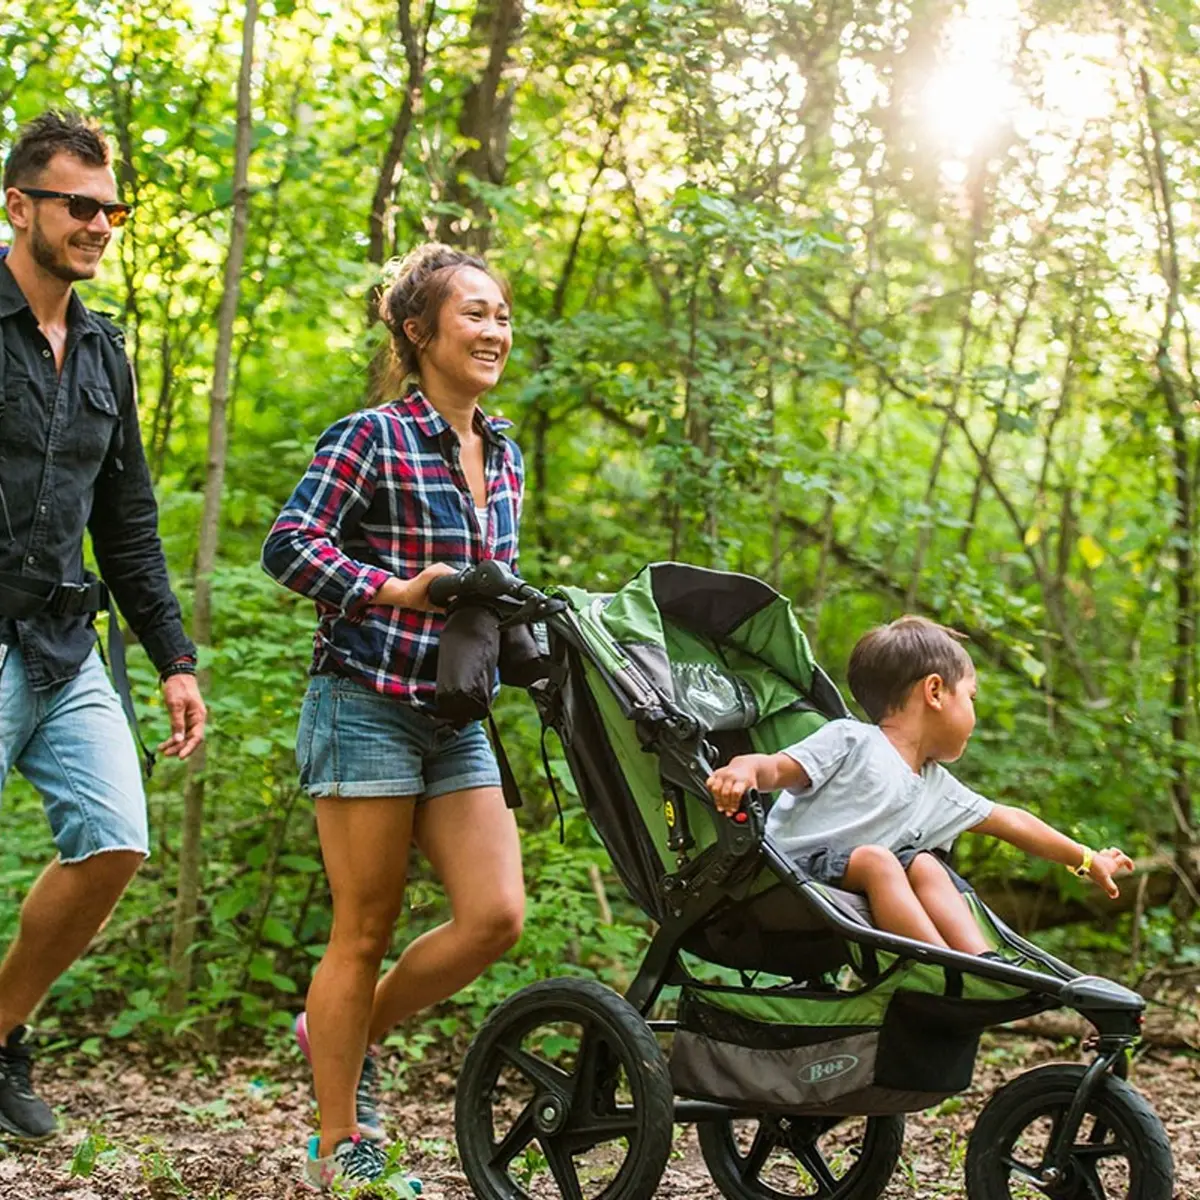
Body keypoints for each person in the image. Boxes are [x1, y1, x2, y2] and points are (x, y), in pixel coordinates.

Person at [261, 243, 525, 1195]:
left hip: (456, 717)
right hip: (363, 701)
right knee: (362, 927)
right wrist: (391, 591)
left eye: (501, 314)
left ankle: (341, 1027)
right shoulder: (369, 436)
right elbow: (287, 547)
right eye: (474, 314)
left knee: (495, 915)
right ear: (420, 332)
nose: (494, 330)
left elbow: (493, 586)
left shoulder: (506, 451)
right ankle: (345, 1141)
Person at [0, 111, 206, 1139]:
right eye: (77, 205)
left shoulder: (103, 353)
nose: (97, 224)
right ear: (19, 204)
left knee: (117, 839)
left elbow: (127, 522)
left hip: (64, 642)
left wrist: (174, 655)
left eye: (109, 207)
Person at [706, 615, 1133, 953]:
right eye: (971, 696)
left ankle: (983, 964)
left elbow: (1012, 822)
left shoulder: (936, 785)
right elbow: (777, 768)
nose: (975, 711)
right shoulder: (851, 740)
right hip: (785, 880)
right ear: (934, 691)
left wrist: (1085, 859)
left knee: (926, 864)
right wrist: (743, 769)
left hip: (847, 891)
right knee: (879, 860)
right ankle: (935, 965)